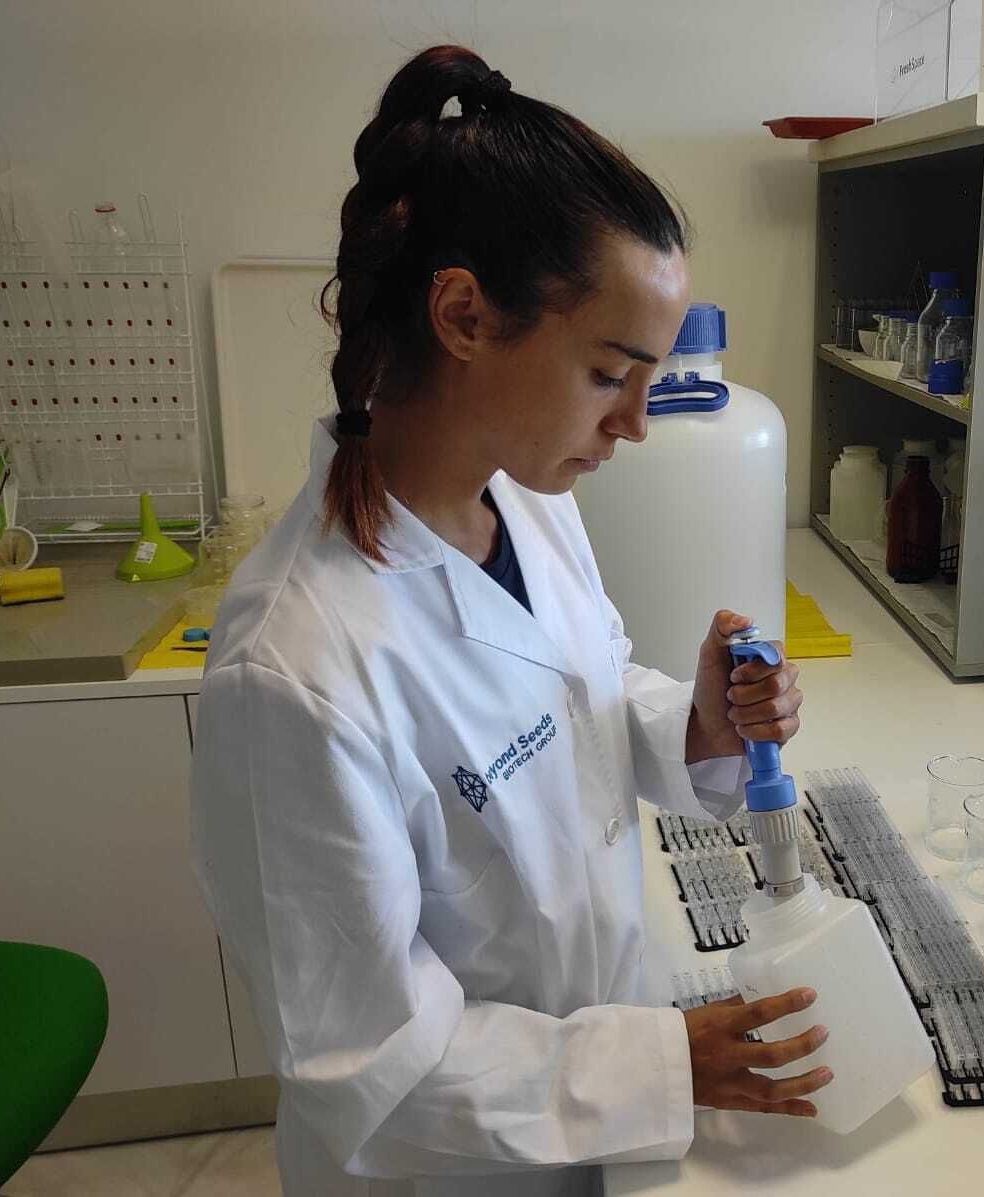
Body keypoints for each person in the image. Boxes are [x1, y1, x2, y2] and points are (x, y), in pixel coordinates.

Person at [190, 45, 826, 1197]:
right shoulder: (292, 668)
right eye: (608, 372)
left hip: (593, 1105)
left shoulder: (526, 505)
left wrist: (696, 728)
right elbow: (367, 1068)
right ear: (465, 315)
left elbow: (574, 696)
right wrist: (659, 1065)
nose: (636, 421)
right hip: (450, 1170)